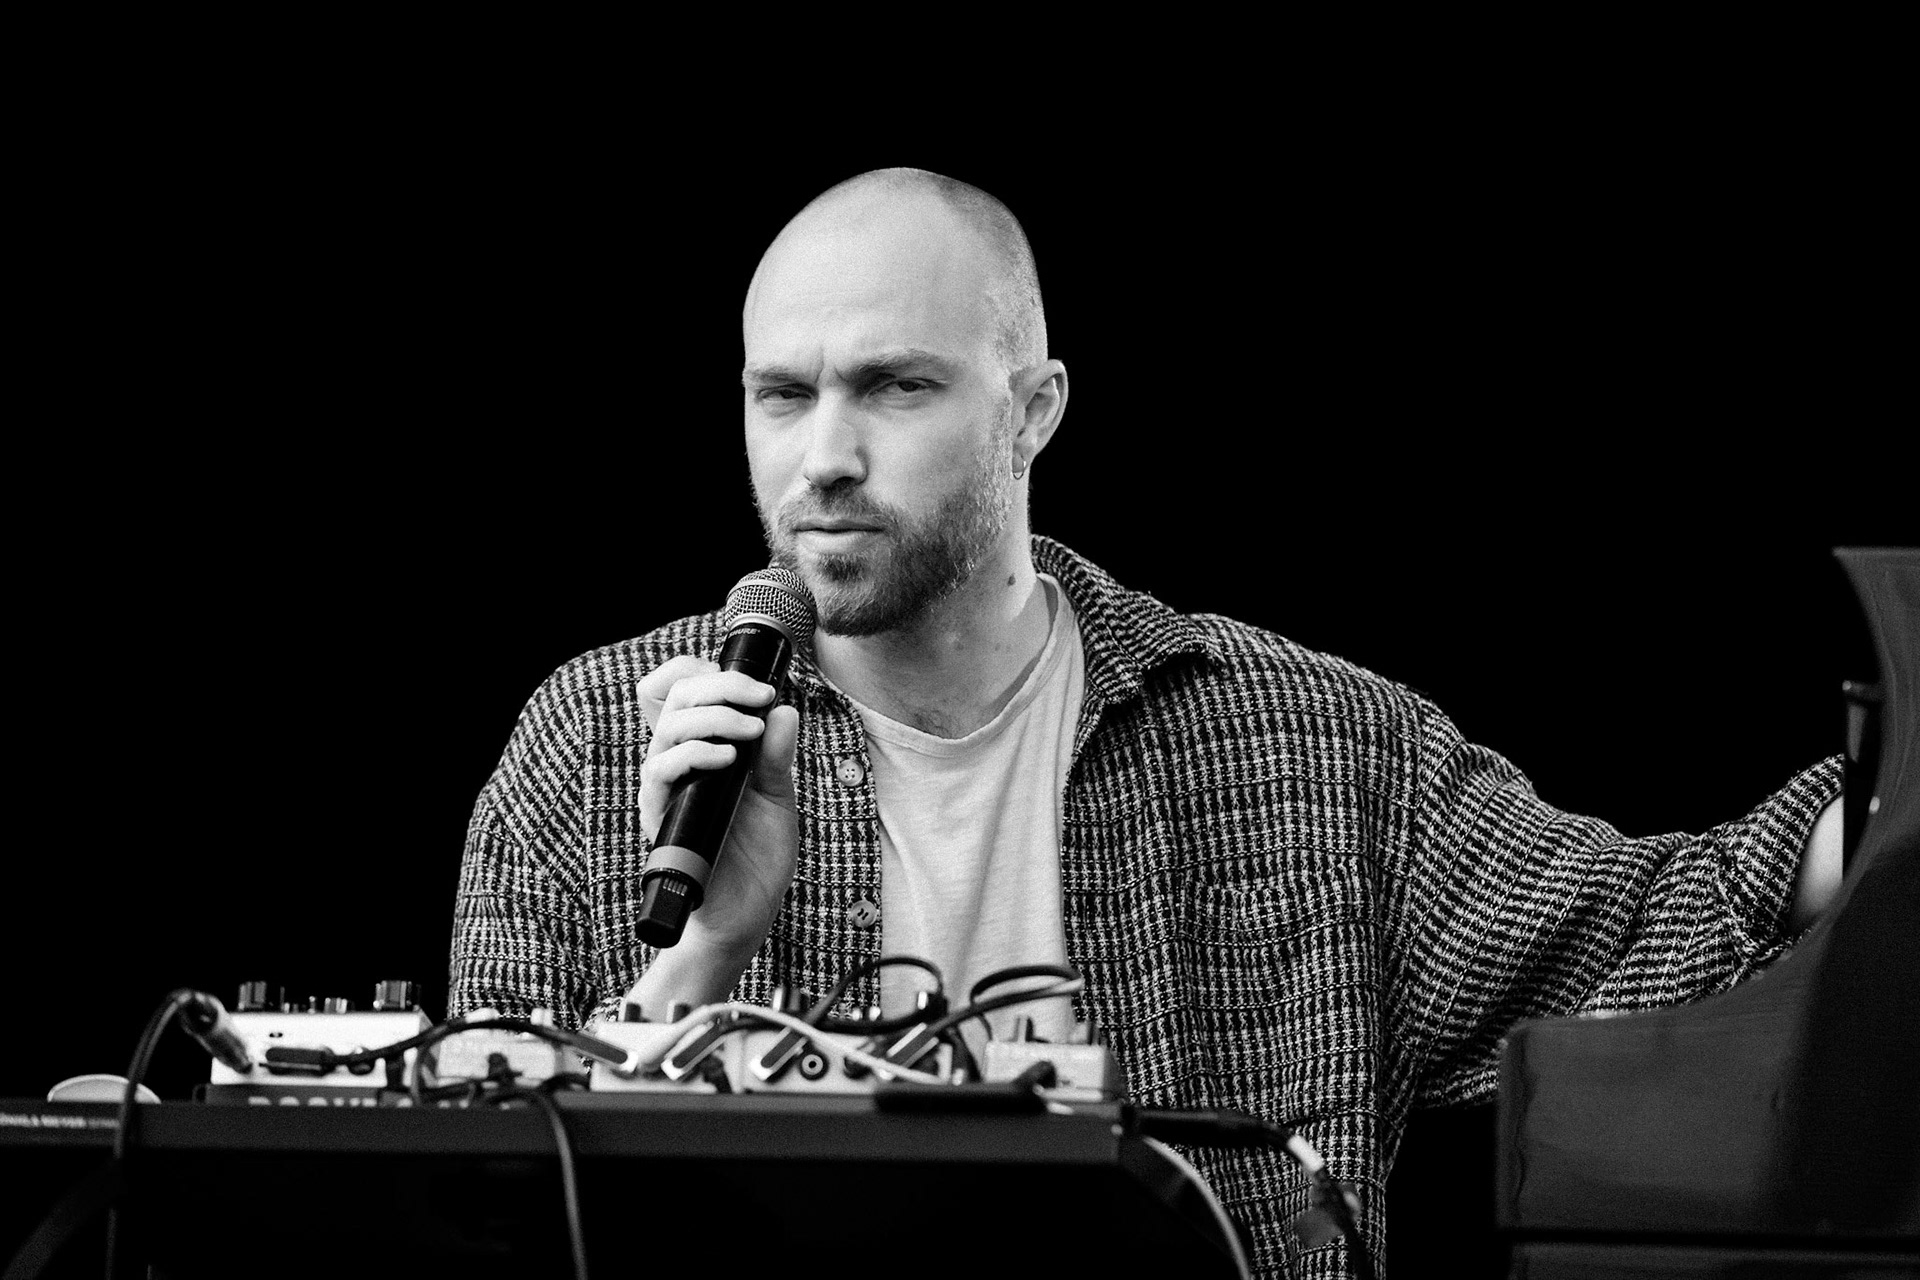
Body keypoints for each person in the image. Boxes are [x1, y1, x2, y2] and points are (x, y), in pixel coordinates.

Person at [449, 168, 1845, 1278]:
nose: (825, 456)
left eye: (895, 385)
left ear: (1034, 412)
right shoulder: (596, 744)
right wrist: (701, 962)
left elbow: (1685, 915)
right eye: (782, 395)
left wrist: (1895, 781)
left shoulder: (1310, 749)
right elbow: (483, 1196)